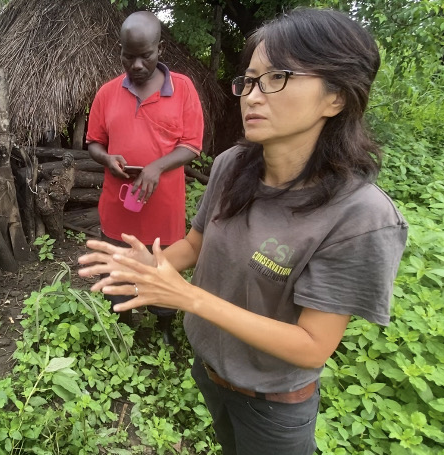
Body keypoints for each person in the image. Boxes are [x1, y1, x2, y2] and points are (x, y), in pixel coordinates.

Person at [79, 8, 407, 455]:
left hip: (272, 405)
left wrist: (187, 297)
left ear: (336, 97)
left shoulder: (360, 217)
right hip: (210, 371)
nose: (253, 96)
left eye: (277, 78)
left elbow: (313, 347)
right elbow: (194, 244)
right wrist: (148, 266)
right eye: (249, 81)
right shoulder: (231, 166)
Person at [85, 11, 204, 346]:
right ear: (120, 50)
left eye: (145, 56)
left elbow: (192, 145)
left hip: (162, 207)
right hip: (119, 204)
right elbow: (94, 141)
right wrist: (106, 158)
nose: (136, 64)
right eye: (128, 55)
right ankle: (123, 322)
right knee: (118, 263)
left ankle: (163, 325)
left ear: (159, 49)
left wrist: (156, 167)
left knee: (162, 263)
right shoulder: (107, 93)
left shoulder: (182, 89)